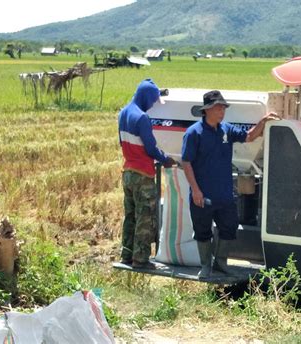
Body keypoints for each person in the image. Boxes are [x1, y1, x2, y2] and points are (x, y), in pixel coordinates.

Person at [181, 90, 280, 279]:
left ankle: (221, 263)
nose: (222, 111)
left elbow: (249, 137)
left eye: (224, 108)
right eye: (219, 108)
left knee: (229, 227)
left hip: (225, 193)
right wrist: (195, 190)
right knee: (202, 230)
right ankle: (205, 265)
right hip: (202, 194)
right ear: (207, 110)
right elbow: (186, 163)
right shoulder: (194, 133)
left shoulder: (226, 129)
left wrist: (264, 122)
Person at [118, 79, 175, 269]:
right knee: (145, 216)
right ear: (146, 97)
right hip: (143, 174)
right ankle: (141, 259)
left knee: (131, 215)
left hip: (127, 172)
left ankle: (126, 254)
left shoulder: (123, 113)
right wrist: (165, 158)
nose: (152, 105)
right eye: (152, 100)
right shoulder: (142, 117)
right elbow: (150, 148)